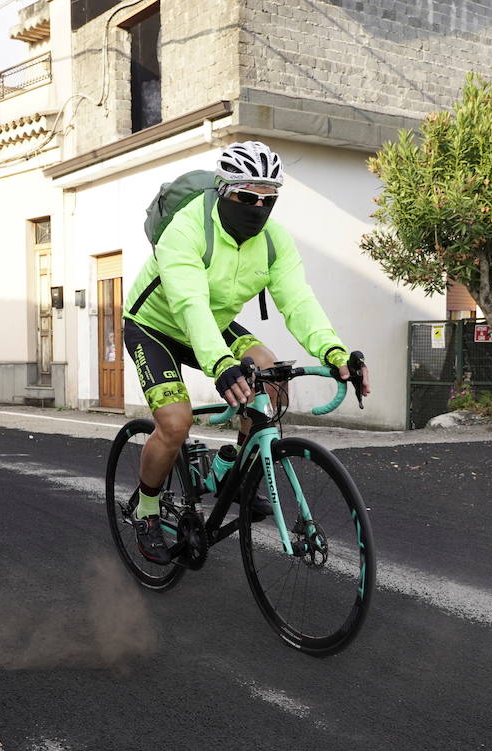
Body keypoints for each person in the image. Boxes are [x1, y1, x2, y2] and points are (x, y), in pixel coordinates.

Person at [123, 140, 371, 565]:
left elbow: (298, 302)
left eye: (268, 198)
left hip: (214, 324)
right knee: (176, 422)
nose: (257, 206)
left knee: (271, 379)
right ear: (222, 190)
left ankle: (229, 471)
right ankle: (145, 509)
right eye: (246, 196)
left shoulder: (273, 241)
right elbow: (189, 305)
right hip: (156, 327)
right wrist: (220, 365)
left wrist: (334, 352)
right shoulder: (186, 228)